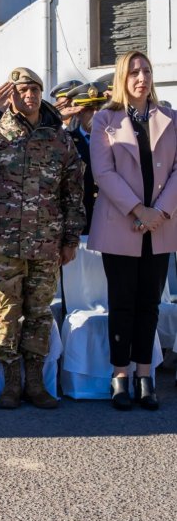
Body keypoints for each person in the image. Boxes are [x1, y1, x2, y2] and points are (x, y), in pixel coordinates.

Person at [0, 67, 85, 410]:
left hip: (46, 240)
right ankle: (11, 382)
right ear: (12, 96)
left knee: (39, 312)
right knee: (7, 312)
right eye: (22, 90)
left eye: (34, 89)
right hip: (4, 240)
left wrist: (70, 239)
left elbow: (73, 192)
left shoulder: (58, 137)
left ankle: (36, 382)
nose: (29, 95)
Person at [87, 50, 177, 411]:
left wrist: (159, 212)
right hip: (121, 224)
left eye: (147, 71)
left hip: (160, 225)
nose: (142, 78)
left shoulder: (170, 117)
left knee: (150, 304)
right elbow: (103, 172)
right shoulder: (104, 119)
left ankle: (145, 375)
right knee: (122, 303)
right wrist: (138, 209)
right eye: (134, 72)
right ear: (122, 79)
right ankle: (120, 375)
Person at [65, 81, 108, 233]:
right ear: (78, 112)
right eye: (90, 109)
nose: (96, 114)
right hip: (78, 224)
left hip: (110, 222)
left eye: (100, 108)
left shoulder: (117, 140)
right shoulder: (66, 141)